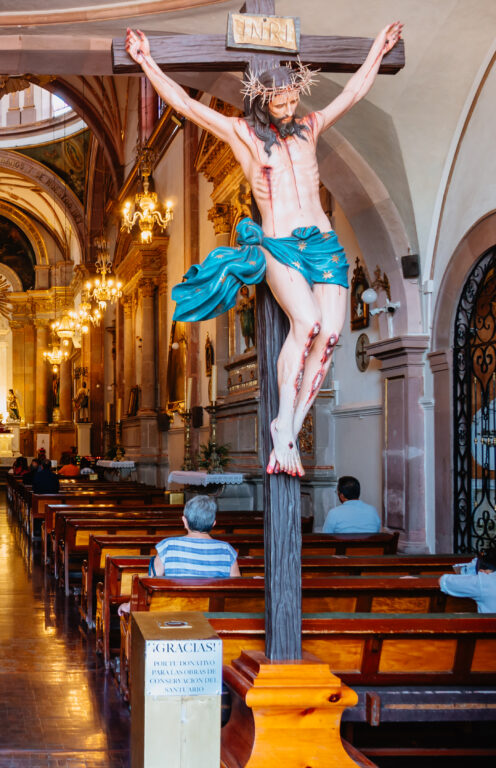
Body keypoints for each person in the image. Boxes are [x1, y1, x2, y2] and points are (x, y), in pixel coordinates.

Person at [126, 22, 403, 478]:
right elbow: (186, 105)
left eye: (294, 100)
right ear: (262, 100)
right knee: (309, 323)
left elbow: (352, 93)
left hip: (324, 243)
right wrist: (146, 61)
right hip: (280, 246)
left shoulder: (310, 125)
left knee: (331, 336)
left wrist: (377, 48)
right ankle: (284, 432)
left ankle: (287, 424)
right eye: (280, 103)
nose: (290, 108)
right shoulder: (243, 135)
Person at [150, 495, 241, 578]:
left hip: (177, 596)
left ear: (184, 521)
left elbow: (152, 580)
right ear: (214, 524)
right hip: (214, 596)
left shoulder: (168, 546)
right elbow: (236, 586)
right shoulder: (227, 550)